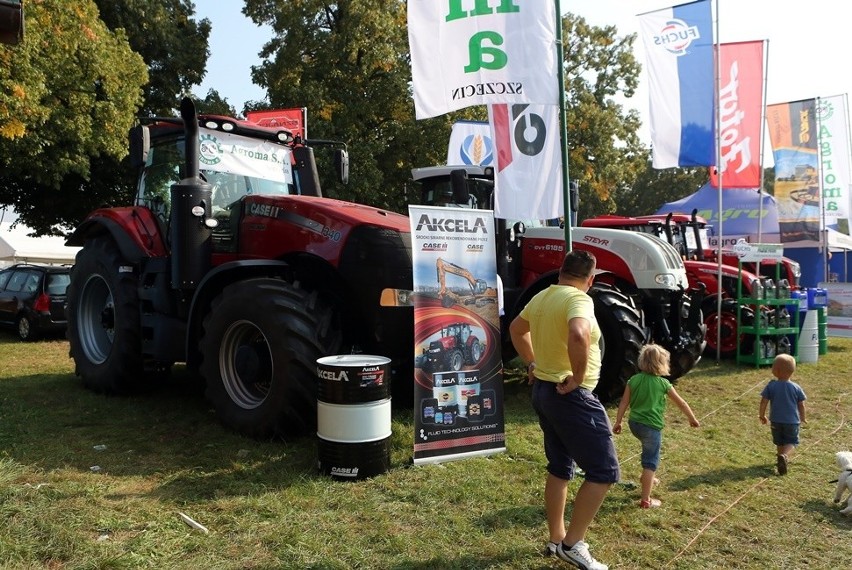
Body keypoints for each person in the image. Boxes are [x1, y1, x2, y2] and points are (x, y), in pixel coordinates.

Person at [509, 249, 617, 570]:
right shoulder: (579, 299)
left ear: (561, 271)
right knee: (604, 472)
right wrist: (579, 377)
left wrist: (531, 362)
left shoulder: (543, 296)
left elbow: (516, 329)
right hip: (570, 395)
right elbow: (579, 333)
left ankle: (557, 539)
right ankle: (572, 544)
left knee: (560, 467)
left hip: (544, 391)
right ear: (590, 278)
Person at [613, 344, 700, 508]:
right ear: (662, 364)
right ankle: (646, 500)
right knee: (650, 462)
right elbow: (681, 403)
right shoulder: (663, 384)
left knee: (647, 452)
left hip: (635, 425)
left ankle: (649, 478)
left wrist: (618, 422)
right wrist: (692, 418)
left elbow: (624, 402)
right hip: (651, 428)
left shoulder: (633, 380)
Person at [759, 353, 807, 475]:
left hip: (775, 421)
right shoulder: (796, 387)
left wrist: (762, 415)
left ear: (777, 371)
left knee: (779, 441)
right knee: (792, 442)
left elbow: (764, 401)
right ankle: (784, 456)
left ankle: (780, 457)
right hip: (792, 422)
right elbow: (801, 404)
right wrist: (803, 417)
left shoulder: (771, 386)